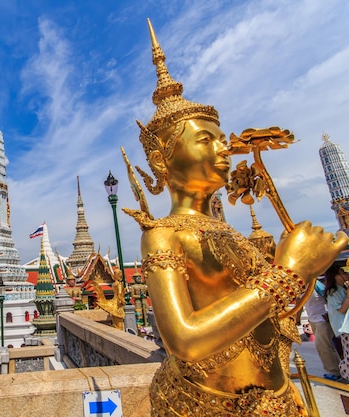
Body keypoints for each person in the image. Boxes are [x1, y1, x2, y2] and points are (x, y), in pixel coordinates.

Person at [125, 20, 347, 416]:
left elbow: (273, 318)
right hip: (207, 404)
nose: (225, 147)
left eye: (222, 137)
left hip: (275, 399)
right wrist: (288, 273)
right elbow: (185, 339)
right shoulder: (163, 235)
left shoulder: (230, 233)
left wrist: (309, 268)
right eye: (206, 140)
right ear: (161, 160)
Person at [304, 276, 342, 381]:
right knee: (326, 346)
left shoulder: (317, 285)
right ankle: (338, 369)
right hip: (313, 319)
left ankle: (334, 371)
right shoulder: (302, 286)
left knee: (323, 346)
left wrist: (329, 313)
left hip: (323, 319)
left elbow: (328, 298)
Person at [324, 262, 349, 379]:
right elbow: (342, 310)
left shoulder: (343, 288)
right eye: (344, 273)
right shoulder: (333, 292)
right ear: (337, 274)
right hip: (342, 328)